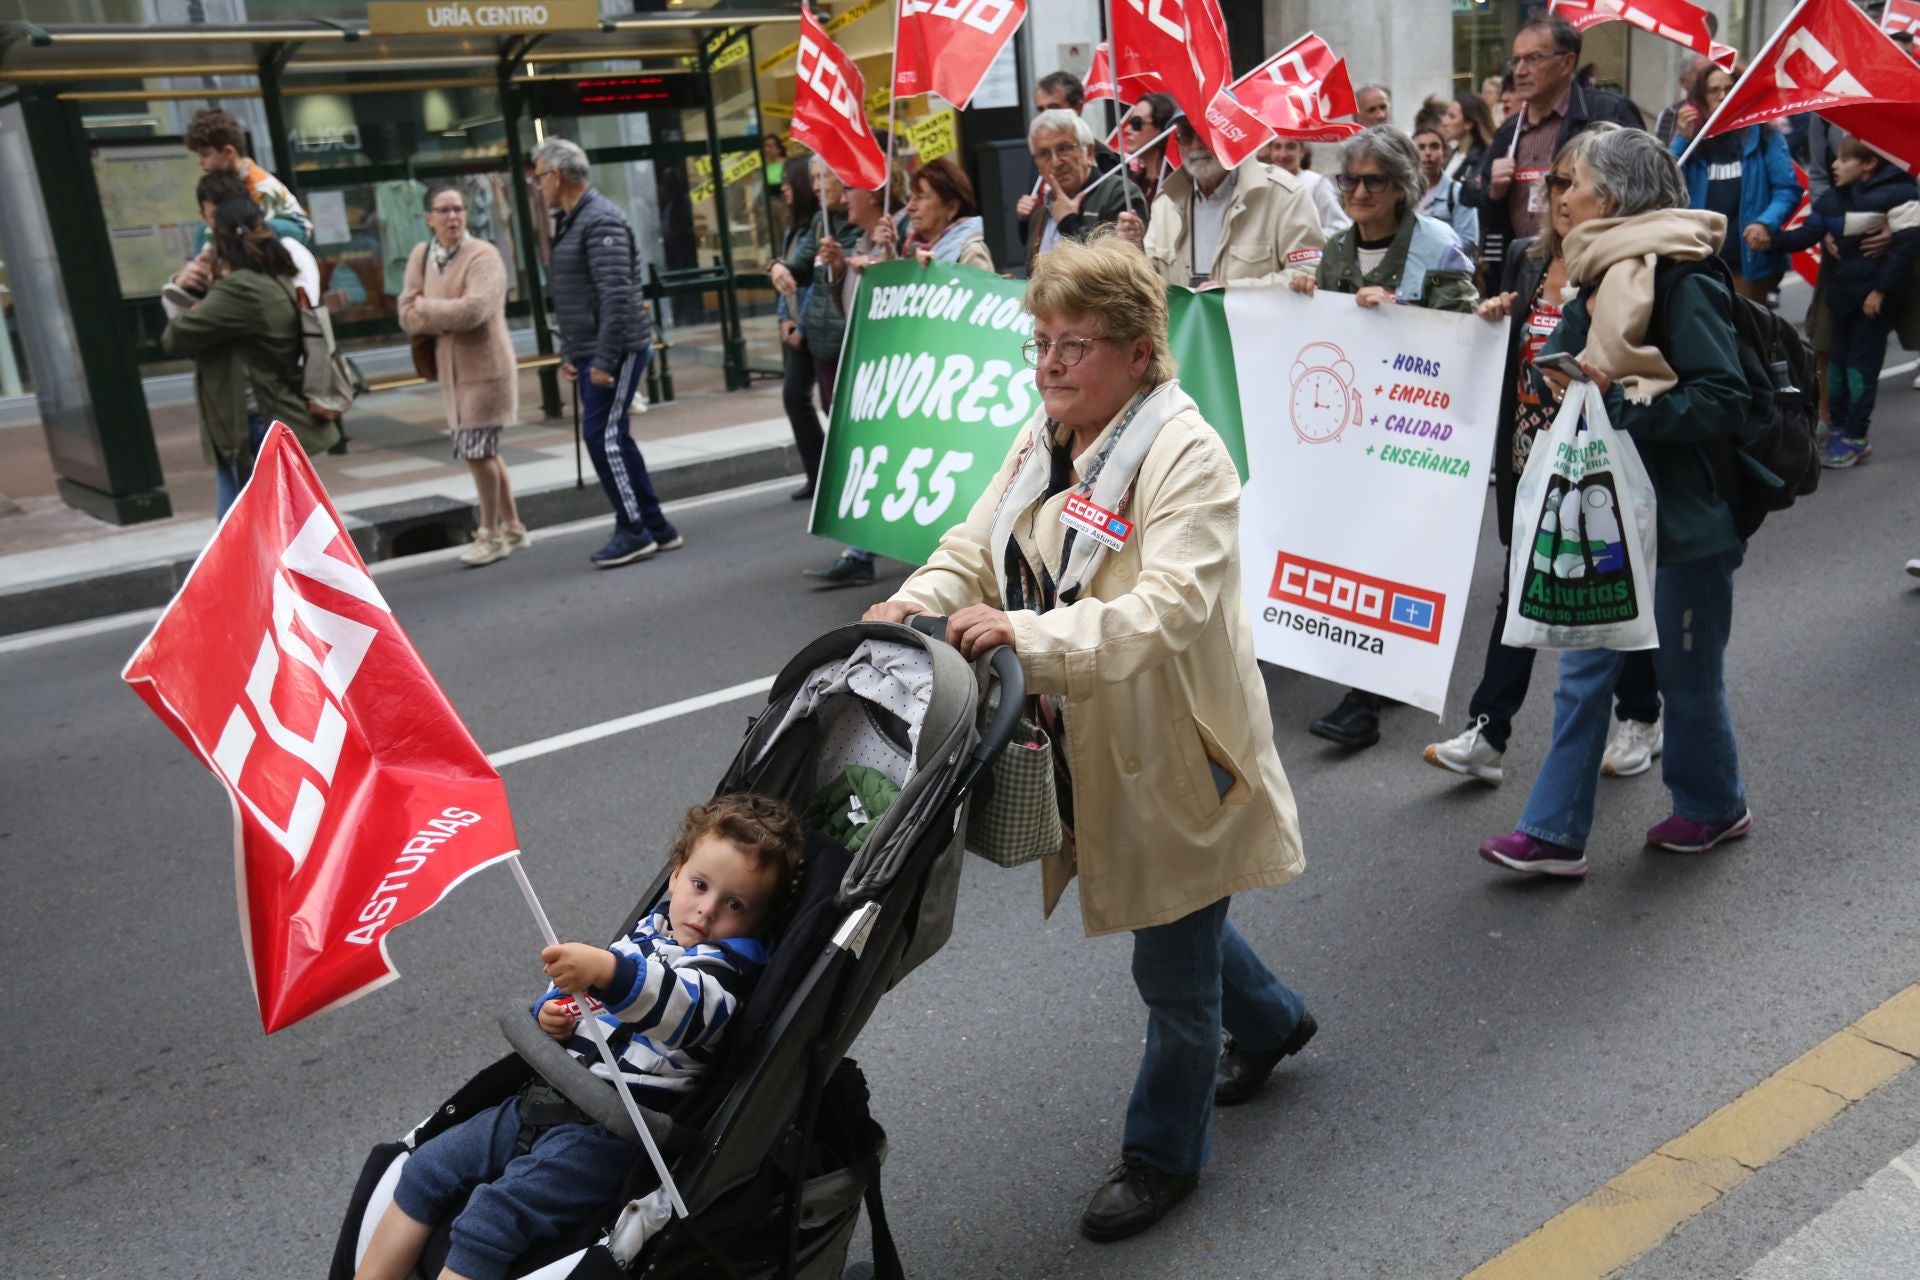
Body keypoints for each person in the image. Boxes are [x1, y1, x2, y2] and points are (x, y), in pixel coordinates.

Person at [863, 230, 1313, 1242]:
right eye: (1044, 342)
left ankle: (1163, 1155)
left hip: (1176, 740)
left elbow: (1164, 612)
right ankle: (1276, 1019)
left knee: (1171, 962)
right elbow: (972, 547)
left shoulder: (1187, 453)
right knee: (1177, 906)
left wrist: (1023, 633)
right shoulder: (1046, 435)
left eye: (1075, 344)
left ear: (1138, 353)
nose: (1051, 363)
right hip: (1097, 729)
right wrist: (911, 600)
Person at [353, 794, 806, 1280]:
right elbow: (582, 999)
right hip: (544, 1099)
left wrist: (608, 972)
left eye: (734, 904)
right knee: (428, 1168)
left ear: (759, 922)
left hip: (608, 1136)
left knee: (493, 1215)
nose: (706, 910)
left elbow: (680, 1010)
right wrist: (551, 1011)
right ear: (675, 874)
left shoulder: (723, 973)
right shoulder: (647, 935)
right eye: (699, 885)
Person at [1478, 127, 1753, 878]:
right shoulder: (1593, 275)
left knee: (1686, 681)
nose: (1558, 195)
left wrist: (1624, 405)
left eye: (1575, 183)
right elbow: (1571, 368)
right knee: (1582, 673)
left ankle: (1714, 804)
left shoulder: (1681, 277)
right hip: (1607, 512)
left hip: (1683, 521)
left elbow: (1722, 398)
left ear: (1619, 196)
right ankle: (1555, 832)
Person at [1425, 134, 1662, 785]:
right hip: (1534, 449)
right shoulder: (1532, 263)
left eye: (1568, 183)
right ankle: (1489, 732)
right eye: (1551, 184)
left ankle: (1641, 713)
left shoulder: (1626, 270)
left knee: (1613, 587)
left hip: (1601, 455)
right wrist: (1495, 316)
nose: (1554, 196)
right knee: (1521, 584)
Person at [1289, 126, 1478, 749]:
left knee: (1393, 555)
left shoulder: (1439, 246)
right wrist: (1305, 300)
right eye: (1349, 180)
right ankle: (1377, 678)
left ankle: (1364, 700)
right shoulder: (1337, 251)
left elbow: (1467, 333)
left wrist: (1402, 309)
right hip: (1354, 435)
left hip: (1414, 433)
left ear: (1402, 187)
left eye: (1374, 180)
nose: (1359, 191)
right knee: (1363, 553)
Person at [533, 138, 682, 569]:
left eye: (539, 176)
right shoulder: (577, 219)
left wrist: (601, 360)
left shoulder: (599, 220)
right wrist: (572, 350)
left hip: (614, 350)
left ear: (557, 177)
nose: (538, 185)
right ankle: (656, 527)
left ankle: (634, 530)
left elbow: (617, 298)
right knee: (614, 437)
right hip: (594, 348)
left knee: (604, 439)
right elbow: (577, 294)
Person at [162, 198, 337, 521]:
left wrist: (175, 288)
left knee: (247, 534)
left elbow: (175, 337)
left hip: (253, 423)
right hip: (271, 417)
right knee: (277, 530)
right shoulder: (275, 277)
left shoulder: (241, 289)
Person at [1770, 137, 1920, 468]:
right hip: (1842, 298)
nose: (1833, 165)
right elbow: (1807, 234)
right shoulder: (1835, 199)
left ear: (1868, 164)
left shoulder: (1901, 193)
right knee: (1836, 368)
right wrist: (1770, 239)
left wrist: (1879, 292)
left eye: (1843, 159)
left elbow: (1905, 249)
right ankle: (1838, 428)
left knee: (1861, 370)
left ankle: (1856, 436)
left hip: (1874, 302)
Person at [399, 184, 525, 568]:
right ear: (429, 218)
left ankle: (489, 534)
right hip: (451, 376)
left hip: (487, 373)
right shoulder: (422, 256)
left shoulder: (484, 255)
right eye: (444, 210)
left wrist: (428, 308)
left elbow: (474, 311)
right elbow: (406, 313)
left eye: (459, 209)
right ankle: (514, 526)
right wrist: (435, 311)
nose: (453, 216)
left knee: (477, 452)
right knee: (483, 450)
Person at [1465, 15, 1644, 284]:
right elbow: (1489, 218)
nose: (1520, 71)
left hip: (1591, 273)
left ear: (1567, 62)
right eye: (1516, 60)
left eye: (1533, 59)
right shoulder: (1507, 132)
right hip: (1525, 277)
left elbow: (1639, 197)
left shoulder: (1607, 114)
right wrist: (1493, 193)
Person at [802, 164, 911, 588]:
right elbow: (853, 306)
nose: (842, 196)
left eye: (850, 188)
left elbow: (907, 298)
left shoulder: (891, 237)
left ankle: (867, 550)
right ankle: (862, 550)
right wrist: (839, 271)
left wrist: (894, 257)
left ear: (874, 194)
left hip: (900, 371)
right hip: (876, 368)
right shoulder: (864, 240)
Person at [1132, 114, 1325, 288]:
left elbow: (1308, 273)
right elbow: (1150, 283)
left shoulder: (1284, 194)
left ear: (1230, 134)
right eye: (1186, 135)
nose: (1196, 145)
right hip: (1185, 327)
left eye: (1206, 134)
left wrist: (1231, 293)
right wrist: (1132, 251)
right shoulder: (1165, 202)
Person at [1670, 63, 1798, 304]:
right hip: (1699, 261)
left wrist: (1765, 223)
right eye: (1714, 90)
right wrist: (1681, 141)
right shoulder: (1692, 141)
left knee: (1742, 338)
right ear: (1700, 100)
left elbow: (1787, 190)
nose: (1722, 96)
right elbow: (1661, 184)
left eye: (1730, 89)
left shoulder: (1764, 135)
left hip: (1746, 262)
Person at [168, 171, 319, 310]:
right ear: (204, 217)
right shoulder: (207, 259)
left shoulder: (291, 252)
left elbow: (300, 312)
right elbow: (181, 326)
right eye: (217, 216)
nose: (227, 223)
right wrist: (180, 288)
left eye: (234, 212)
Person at [1018, 110, 1141, 270]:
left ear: (1089, 153)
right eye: (1044, 154)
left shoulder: (1120, 193)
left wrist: (1068, 223)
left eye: (1064, 148)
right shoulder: (1040, 210)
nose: (1056, 162)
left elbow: (1114, 274)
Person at [773, 155, 826, 501]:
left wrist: (802, 325)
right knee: (797, 397)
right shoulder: (794, 229)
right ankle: (818, 473)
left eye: (789, 183)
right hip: (795, 326)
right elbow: (788, 276)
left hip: (811, 328)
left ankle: (824, 474)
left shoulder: (816, 228)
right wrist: (783, 318)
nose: (783, 189)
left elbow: (815, 281)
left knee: (807, 397)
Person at [181, 107, 312, 245]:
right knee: (206, 226)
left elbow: (258, 228)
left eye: (205, 155)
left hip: (292, 226)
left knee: (258, 228)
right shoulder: (226, 180)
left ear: (228, 152)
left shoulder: (260, 187)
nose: (200, 162)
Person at [902, 156, 993, 271]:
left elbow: (982, 288)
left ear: (952, 208)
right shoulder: (910, 251)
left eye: (920, 198)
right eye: (909, 198)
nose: (910, 207)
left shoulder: (970, 252)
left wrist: (928, 271)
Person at [1257, 135, 1350, 236]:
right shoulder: (1262, 183)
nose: (1283, 154)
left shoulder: (1316, 183)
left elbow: (1340, 227)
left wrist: (1305, 239)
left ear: (1302, 151)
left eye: (1290, 147)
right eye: (1277, 147)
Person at [1035, 70, 1122, 174]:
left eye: (1054, 108)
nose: (1045, 117)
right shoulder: (1039, 155)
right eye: (1041, 110)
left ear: (1077, 108)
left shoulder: (1104, 159)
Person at [1414, 123, 1481, 256]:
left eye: (1434, 146)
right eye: (1421, 147)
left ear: (1444, 153)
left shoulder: (1458, 193)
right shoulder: (1404, 194)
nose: (1427, 153)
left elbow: (1468, 242)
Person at [1119, 92, 1178, 215]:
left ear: (1160, 129)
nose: (1127, 130)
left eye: (1136, 123)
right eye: (1129, 123)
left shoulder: (1177, 184)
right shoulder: (1131, 183)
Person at [1653, 53, 1710, 147]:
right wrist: (1684, 138)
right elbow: (1662, 157)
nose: (1710, 79)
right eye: (1703, 74)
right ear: (1684, 81)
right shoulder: (1670, 114)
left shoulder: (1723, 113)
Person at [1441, 92, 1497, 183]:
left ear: (1469, 123)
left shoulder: (1483, 160)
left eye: (1452, 117)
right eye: (1446, 115)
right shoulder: (1449, 157)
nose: (1444, 122)